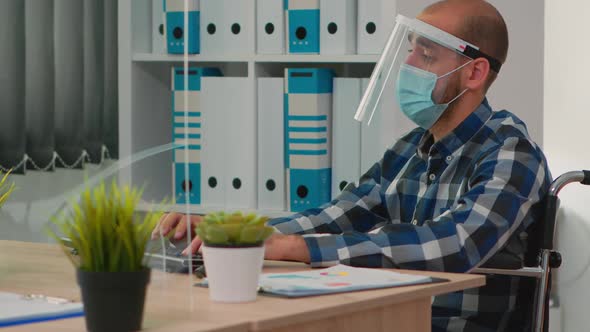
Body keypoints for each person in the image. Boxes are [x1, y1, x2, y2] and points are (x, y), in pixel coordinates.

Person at [153, 1, 551, 330]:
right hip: (389, 317)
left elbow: (455, 243)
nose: (408, 63)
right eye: (409, 49)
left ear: (474, 72)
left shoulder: (510, 151)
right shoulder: (410, 149)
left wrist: (297, 249)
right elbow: (335, 216)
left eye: (425, 54)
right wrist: (235, 233)